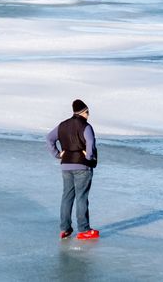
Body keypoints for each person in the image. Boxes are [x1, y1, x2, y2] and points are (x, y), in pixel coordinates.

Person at [46, 98, 98, 240]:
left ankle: (65, 229)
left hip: (66, 166)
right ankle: (84, 230)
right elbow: (90, 142)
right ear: (83, 112)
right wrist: (88, 156)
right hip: (82, 166)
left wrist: (58, 154)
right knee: (81, 197)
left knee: (67, 197)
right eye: (87, 112)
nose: (88, 115)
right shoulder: (86, 126)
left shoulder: (62, 125)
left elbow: (49, 138)